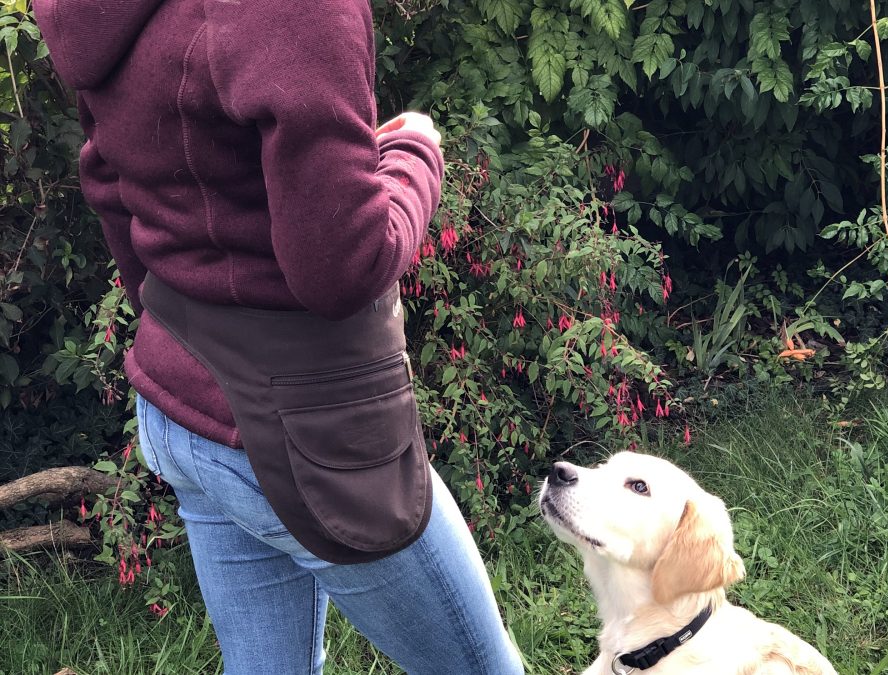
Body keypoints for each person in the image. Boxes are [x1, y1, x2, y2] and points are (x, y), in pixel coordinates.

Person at [37, 1, 525, 673]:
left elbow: (106, 181)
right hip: (304, 430)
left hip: (181, 402)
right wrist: (416, 153)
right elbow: (342, 267)